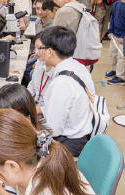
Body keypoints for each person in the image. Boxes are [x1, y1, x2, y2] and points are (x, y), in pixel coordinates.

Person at [35, 26, 95, 157]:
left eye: (41, 48)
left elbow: (53, 130)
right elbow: (68, 106)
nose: (38, 51)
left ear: (50, 52)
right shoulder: (80, 68)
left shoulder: (59, 84)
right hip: (84, 135)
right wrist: (40, 110)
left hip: (69, 143)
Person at [27, 34, 55, 107]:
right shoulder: (40, 62)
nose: (36, 52)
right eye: (35, 48)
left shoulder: (59, 72)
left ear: (50, 49)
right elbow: (32, 85)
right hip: (36, 105)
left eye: (39, 48)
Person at [105, 0, 125, 85]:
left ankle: (120, 77)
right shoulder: (117, 3)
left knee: (121, 57)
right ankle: (114, 70)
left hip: (124, 36)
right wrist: (110, 31)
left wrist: (124, 37)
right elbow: (112, 17)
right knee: (112, 53)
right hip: (114, 34)